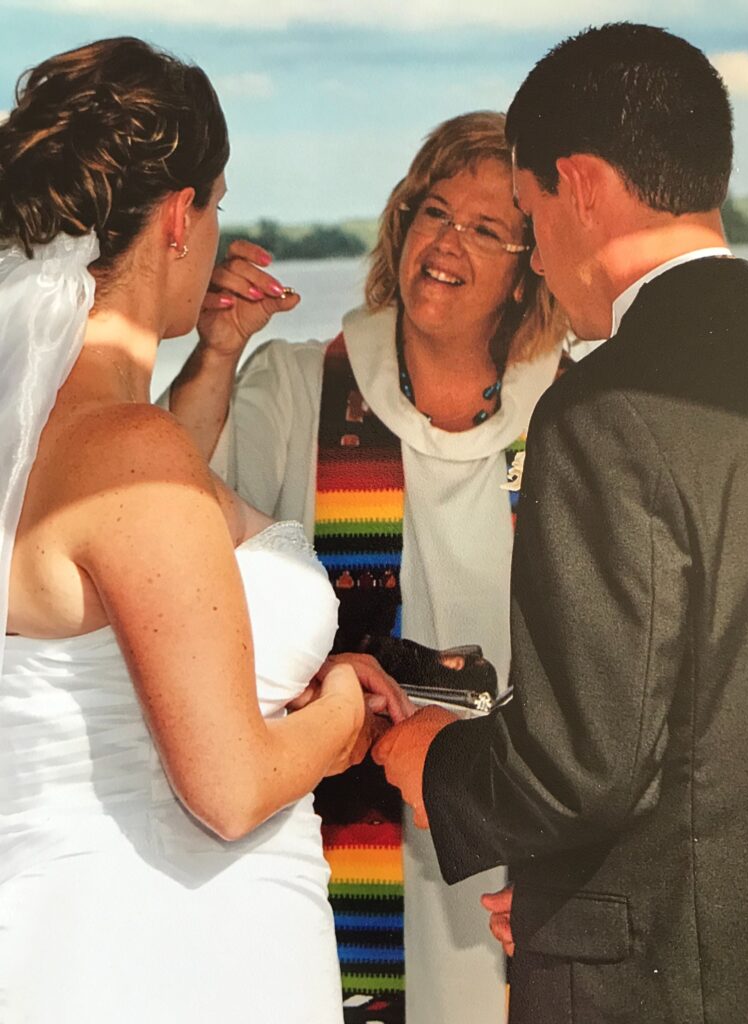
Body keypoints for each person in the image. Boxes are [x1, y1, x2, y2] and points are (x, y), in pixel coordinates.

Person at [0, 36, 410, 1024]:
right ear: (181, 214)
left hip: (93, 926)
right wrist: (344, 711)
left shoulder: (55, 432)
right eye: (217, 202)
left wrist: (218, 351)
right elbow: (226, 789)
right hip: (171, 946)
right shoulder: (125, 449)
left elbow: (144, 556)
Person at [373, 21, 748, 1024]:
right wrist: (571, 899)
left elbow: (585, 758)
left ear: (579, 185)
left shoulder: (605, 409)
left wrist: (431, 762)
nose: (538, 255)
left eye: (529, 209)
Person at [168, 111, 566, 1023]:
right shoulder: (299, 386)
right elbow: (170, 516)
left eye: (487, 228)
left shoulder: (569, 408)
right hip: (338, 812)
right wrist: (218, 353)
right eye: (434, 211)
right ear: (400, 225)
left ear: (529, 266)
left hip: (515, 830)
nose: (447, 241)